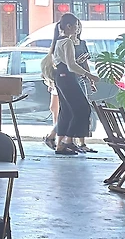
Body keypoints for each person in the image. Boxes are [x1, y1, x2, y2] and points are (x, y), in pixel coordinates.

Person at [42, 12, 99, 155]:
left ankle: (60, 145)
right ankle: (68, 141)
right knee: (83, 109)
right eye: (76, 25)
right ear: (69, 26)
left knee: (66, 111)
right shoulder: (67, 42)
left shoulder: (59, 41)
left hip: (61, 77)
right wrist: (90, 75)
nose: (77, 28)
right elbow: (71, 65)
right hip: (67, 77)